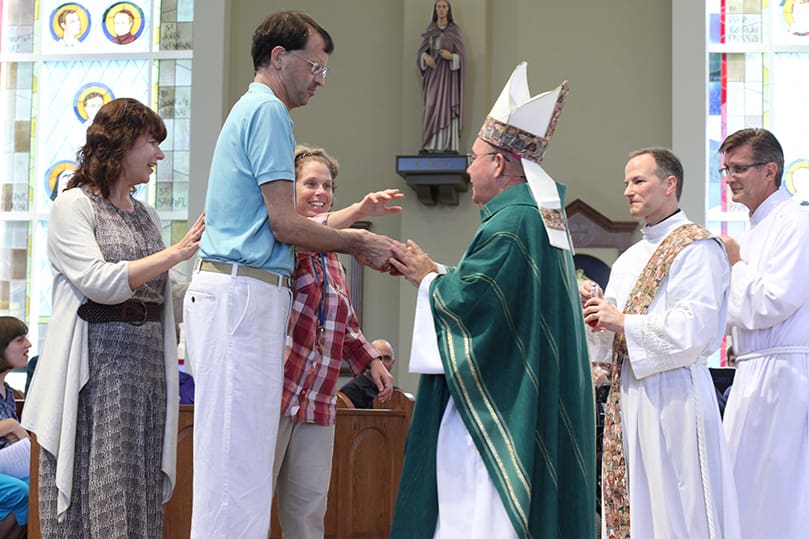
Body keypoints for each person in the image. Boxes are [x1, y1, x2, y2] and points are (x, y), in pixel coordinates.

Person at [182, 12, 397, 538]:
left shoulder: (259, 111)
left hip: (247, 294)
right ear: (279, 57)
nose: (320, 79)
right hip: (241, 293)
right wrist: (356, 240)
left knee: (242, 473)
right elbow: (283, 222)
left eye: (325, 70)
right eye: (314, 66)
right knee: (236, 475)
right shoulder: (268, 111)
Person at [389, 63, 595, 539]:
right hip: (528, 389)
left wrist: (428, 281)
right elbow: (502, 299)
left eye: (474, 157)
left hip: (500, 406)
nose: (467, 167)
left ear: (500, 163)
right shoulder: (541, 216)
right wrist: (441, 275)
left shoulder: (512, 222)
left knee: (479, 509)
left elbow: (478, 307)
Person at [21, 97, 205, 538]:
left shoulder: (146, 215)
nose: (159, 155)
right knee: (95, 489)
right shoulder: (75, 207)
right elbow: (97, 281)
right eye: (151, 143)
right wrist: (174, 253)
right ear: (121, 144)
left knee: (136, 489)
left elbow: (168, 293)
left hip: (143, 371)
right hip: (94, 371)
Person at [581, 147, 739, 538]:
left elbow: (695, 330)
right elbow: (611, 343)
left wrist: (623, 321)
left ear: (670, 185)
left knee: (677, 505)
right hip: (629, 396)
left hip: (675, 397)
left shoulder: (697, 248)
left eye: (638, 181)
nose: (628, 191)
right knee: (637, 505)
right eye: (626, 183)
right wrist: (598, 318)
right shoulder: (629, 258)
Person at [273, 146, 397, 538]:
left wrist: (371, 360)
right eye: (309, 183)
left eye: (326, 185)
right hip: (277, 393)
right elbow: (310, 231)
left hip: (318, 399)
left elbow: (344, 322)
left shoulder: (333, 258)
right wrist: (359, 212)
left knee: (309, 510)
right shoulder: (280, 237)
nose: (319, 192)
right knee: (252, 501)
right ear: (287, 189)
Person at [718, 127, 809, 538]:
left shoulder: (797, 223)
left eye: (738, 168)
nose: (729, 178)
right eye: (725, 169)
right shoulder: (756, 229)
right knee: (742, 490)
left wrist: (735, 264)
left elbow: (773, 301)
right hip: (753, 374)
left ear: (770, 170)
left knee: (777, 495)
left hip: (784, 379)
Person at [417, 0, 464, 153]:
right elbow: (421, 53)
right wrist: (425, 58)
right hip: (433, 74)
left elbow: (461, 56)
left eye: (444, 7)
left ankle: (448, 145)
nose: (441, 10)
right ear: (435, 10)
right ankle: (430, 144)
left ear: (448, 10)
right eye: (439, 7)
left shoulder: (454, 30)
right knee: (431, 105)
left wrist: (452, 57)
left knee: (447, 105)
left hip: (448, 77)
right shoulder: (430, 30)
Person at [0, 317, 31, 539]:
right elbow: (12, 429)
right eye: (20, 340)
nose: (28, 344)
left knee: (42, 484)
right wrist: (12, 426)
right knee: (20, 491)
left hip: (5, 466)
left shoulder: (9, 392)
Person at [340, 338, 397, 408]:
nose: (381, 363)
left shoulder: (397, 394)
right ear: (368, 359)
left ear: (392, 363)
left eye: (386, 358)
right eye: (377, 358)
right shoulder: (350, 390)